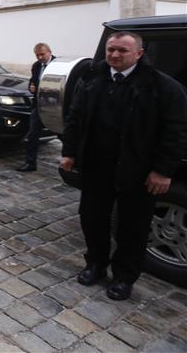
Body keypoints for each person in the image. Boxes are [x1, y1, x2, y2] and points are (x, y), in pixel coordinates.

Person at [60, 32, 187, 301]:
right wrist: (69, 152)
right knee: (92, 220)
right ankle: (95, 264)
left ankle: (124, 276)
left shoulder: (163, 87)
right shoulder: (93, 80)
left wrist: (163, 170)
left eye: (122, 51)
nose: (115, 55)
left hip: (138, 172)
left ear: (139, 54)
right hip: (96, 168)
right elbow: (75, 118)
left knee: (133, 228)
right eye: (111, 49)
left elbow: (175, 132)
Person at [17, 43, 55, 172]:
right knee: (33, 134)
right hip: (38, 106)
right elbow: (32, 82)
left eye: (42, 54)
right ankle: (30, 163)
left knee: (63, 135)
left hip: (56, 106)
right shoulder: (36, 65)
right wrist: (31, 88)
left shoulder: (57, 64)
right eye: (37, 55)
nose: (40, 57)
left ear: (49, 52)